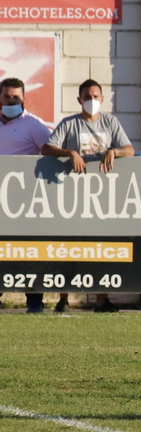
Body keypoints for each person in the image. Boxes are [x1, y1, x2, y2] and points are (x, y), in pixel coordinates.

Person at [42, 79, 134, 312]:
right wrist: (70, 152)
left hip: (102, 194)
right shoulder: (70, 124)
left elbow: (130, 150)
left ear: (102, 99)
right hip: (71, 195)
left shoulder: (110, 122)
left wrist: (114, 151)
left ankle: (101, 299)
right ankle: (64, 299)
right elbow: (47, 148)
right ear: (79, 99)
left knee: (99, 246)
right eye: (87, 96)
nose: (91, 100)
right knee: (68, 245)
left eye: (95, 96)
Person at [0, 77, 53, 313]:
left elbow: (51, 150)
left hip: (24, 200)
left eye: (15, 97)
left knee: (27, 249)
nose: (11, 100)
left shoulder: (33, 124)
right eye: (6, 96)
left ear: (24, 98)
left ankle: (34, 301)